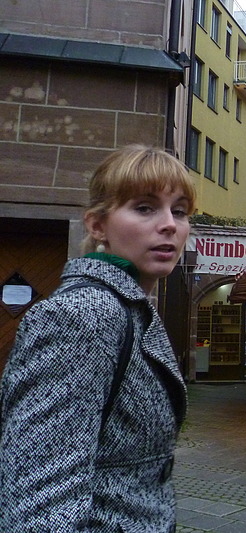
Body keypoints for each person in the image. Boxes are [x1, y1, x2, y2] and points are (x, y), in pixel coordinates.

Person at [0, 145, 196, 532]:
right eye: (144, 207)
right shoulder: (85, 314)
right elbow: (41, 500)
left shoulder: (131, 307)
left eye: (180, 210)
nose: (170, 224)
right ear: (97, 226)